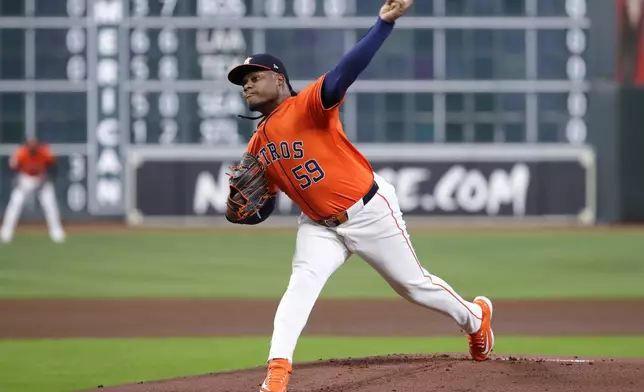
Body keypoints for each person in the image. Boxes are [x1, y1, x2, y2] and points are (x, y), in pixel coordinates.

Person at [225, 1, 493, 391]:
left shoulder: (309, 106)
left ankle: (474, 317)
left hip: (368, 210)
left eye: (253, 75)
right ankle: (277, 373)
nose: (246, 83)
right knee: (301, 285)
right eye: (242, 80)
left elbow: (345, 71)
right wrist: (250, 208)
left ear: (279, 79)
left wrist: (382, 24)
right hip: (319, 226)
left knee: (413, 286)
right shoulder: (256, 145)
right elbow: (262, 204)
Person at [1, 138, 66, 243]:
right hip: (25, 178)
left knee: (50, 206)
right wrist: (17, 178)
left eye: (34, 148)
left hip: (41, 178)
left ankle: (56, 233)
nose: (33, 150)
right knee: (14, 205)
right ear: (27, 147)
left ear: (38, 146)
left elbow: (54, 167)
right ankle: (6, 233)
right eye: (31, 148)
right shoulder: (21, 152)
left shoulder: (45, 152)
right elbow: (11, 168)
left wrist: (48, 177)